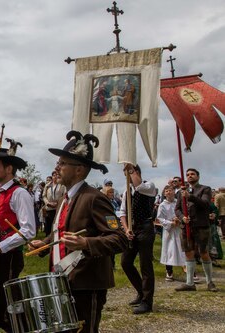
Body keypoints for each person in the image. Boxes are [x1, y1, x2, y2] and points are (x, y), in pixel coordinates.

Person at [29, 131, 127, 333]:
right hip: (62, 280)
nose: (57, 167)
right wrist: (45, 244)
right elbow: (62, 231)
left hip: (85, 283)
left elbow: (119, 239)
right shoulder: (66, 198)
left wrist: (86, 244)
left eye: (63, 163)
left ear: (79, 170)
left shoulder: (95, 198)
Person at [0, 143, 36, 333]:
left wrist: (0, 247)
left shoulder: (19, 193)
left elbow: (28, 231)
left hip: (7, 258)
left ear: (9, 169)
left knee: (6, 312)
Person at [119, 163, 157, 315]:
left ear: (136, 172)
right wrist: (126, 228)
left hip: (146, 228)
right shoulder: (126, 191)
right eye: (125, 172)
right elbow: (122, 212)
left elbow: (139, 186)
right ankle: (141, 292)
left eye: (129, 172)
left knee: (145, 265)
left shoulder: (149, 186)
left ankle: (147, 301)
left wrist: (131, 169)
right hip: (132, 229)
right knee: (125, 262)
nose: (126, 175)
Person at [175, 168, 218, 292]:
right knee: (188, 252)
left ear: (198, 176)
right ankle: (190, 283)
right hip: (186, 226)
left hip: (201, 226)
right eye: (188, 175)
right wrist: (182, 217)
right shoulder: (180, 192)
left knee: (204, 252)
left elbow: (205, 203)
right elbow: (177, 209)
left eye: (192, 174)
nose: (190, 176)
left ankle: (210, 282)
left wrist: (190, 197)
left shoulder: (205, 189)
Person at [157, 185, 185, 281]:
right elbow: (160, 218)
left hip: (179, 229)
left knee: (183, 249)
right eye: (167, 191)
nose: (169, 192)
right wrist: (171, 223)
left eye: (170, 190)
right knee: (168, 250)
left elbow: (184, 213)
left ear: (174, 192)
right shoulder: (162, 205)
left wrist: (179, 219)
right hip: (169, 230)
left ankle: (190, 271)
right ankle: (169, 271)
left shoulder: (178, 203)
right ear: (164, 193)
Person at [42, 171, 65, 236]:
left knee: (55, 226)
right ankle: (47, 243)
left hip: (57, 209)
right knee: (48, 227)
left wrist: (58, 203)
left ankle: (55, 240)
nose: (55, 177)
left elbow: (64, 195)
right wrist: (47, 203)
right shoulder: (47, 185)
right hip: (48, 209)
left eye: (57, 175)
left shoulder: (62, 185)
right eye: (54, 175)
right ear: (52, 176)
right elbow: (44, 196)